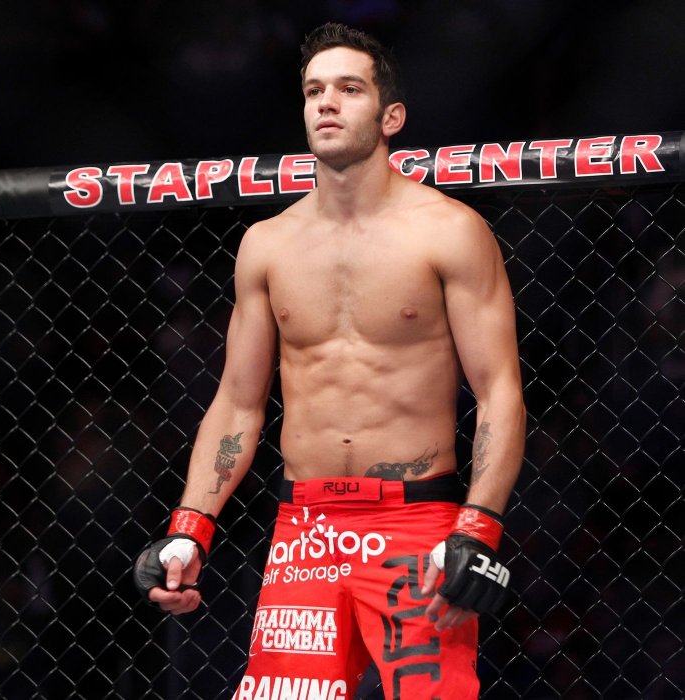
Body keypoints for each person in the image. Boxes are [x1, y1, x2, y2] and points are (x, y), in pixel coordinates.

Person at [134, 22, 526, 700]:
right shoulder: (268, 244)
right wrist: (190, 526)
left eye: (349, 88)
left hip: (414, 524)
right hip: (305, 530)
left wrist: (478, 526)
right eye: (315, 90)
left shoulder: (450, 232)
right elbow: (238, 403)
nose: (327, 103)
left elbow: (499, 392)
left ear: (391, 116)